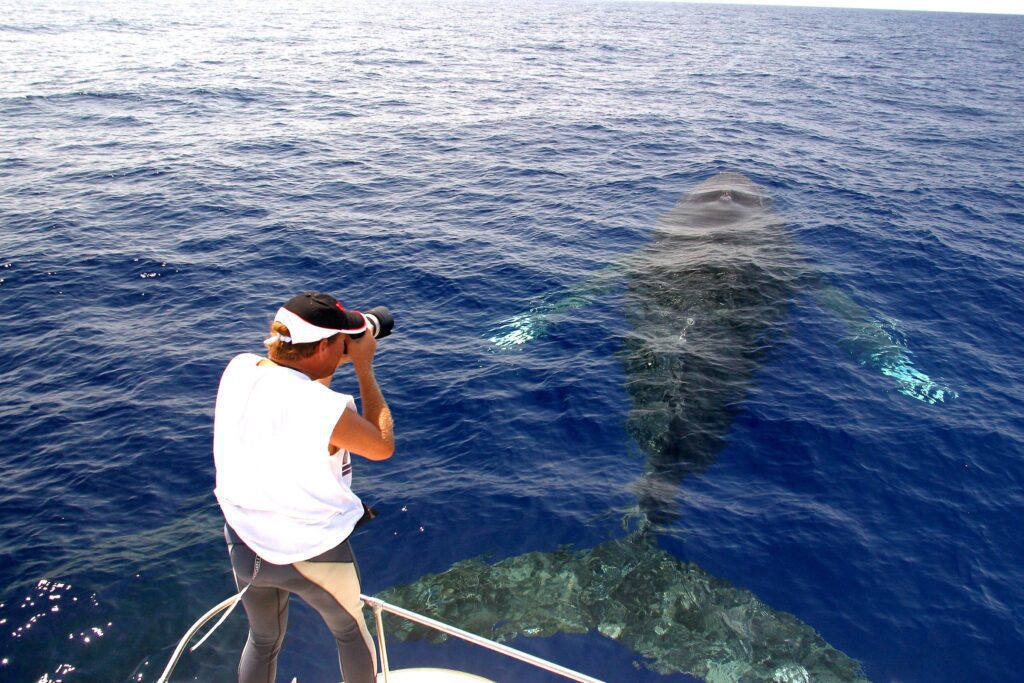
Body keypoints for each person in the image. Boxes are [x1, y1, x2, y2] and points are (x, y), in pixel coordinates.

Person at [212, 291, 394, 683]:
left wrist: (328, 357)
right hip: (312, 554)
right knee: (349, 633)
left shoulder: (240, 369)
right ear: (326, 345)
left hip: (245, 545)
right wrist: (363, 366)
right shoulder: (323, 409)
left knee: (262, 639)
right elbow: (380, 446)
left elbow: (296, 387)